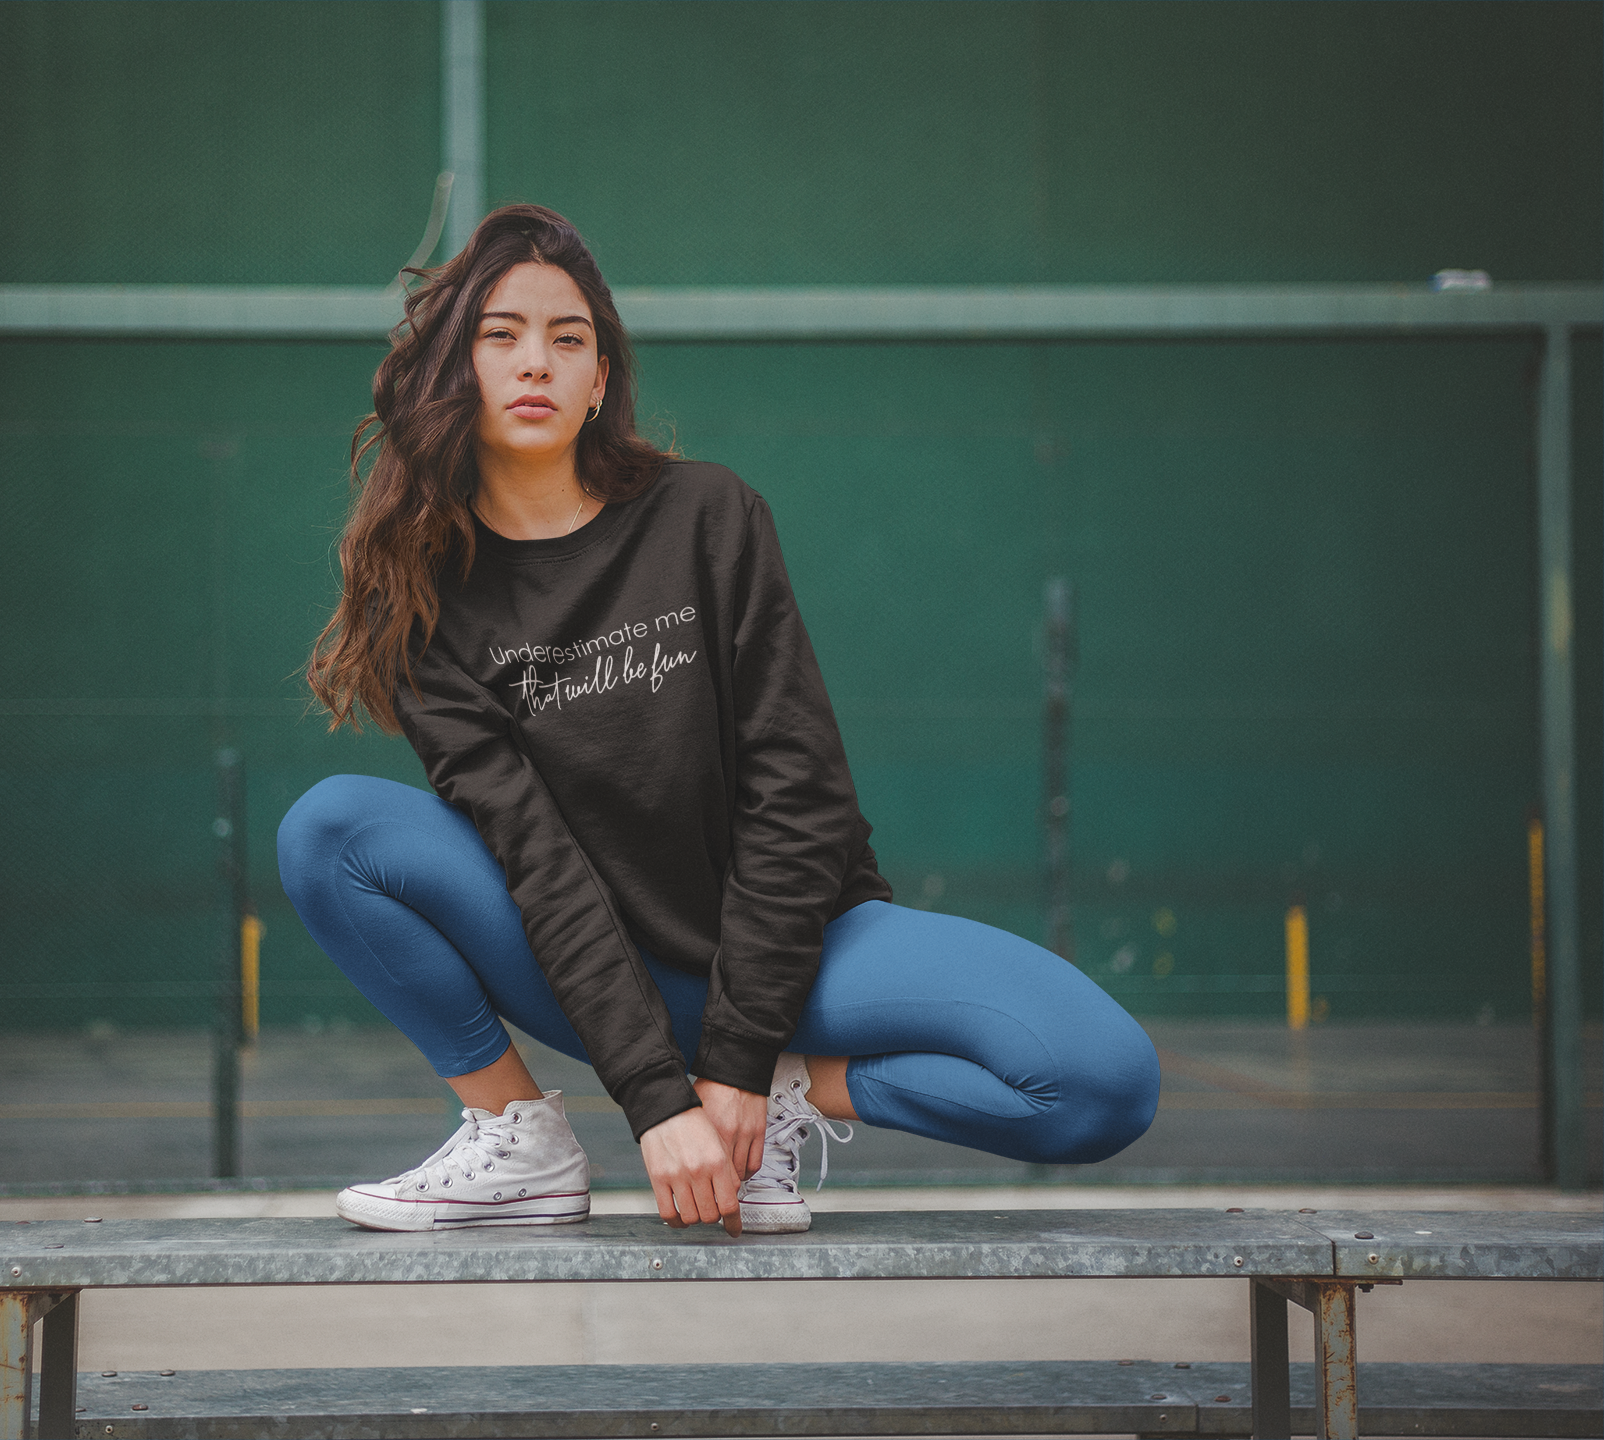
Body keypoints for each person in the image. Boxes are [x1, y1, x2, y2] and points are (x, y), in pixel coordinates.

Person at [277, 205, 1159, 1236]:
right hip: (607, 965)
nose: (537, 363)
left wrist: (740, 1070)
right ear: (457, 369)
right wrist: (655, 1101)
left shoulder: (707, 516)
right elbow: (540, 862)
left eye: (570, 340)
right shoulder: (435, 600)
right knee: (331, 831)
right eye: (501, 334)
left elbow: (802, 795)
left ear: (600, 381)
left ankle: (797, 1097)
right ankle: (519, 1139)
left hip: (807, 953)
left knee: (1104, 1082)